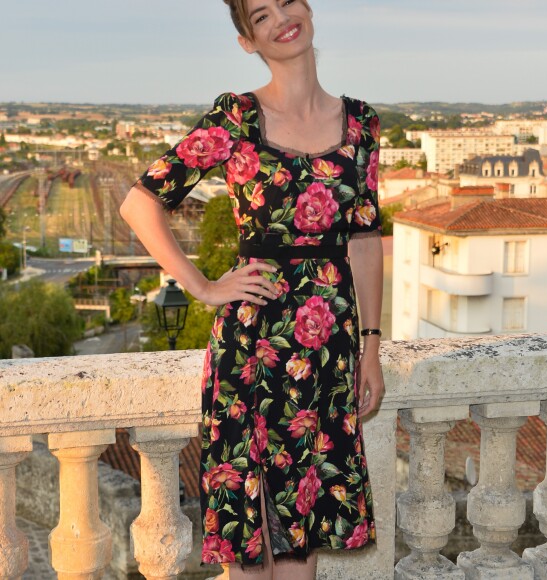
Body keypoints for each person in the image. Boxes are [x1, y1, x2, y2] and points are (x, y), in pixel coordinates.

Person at [120, 1, 385, 578]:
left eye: (288, 1)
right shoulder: (235, 117)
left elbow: (364, 239)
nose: (281, 18)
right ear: (248, 41)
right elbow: (140, 203)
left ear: (308, 10)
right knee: (250, 528)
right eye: (260, 15)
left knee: (302, 534)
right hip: (253, 343)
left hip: (328, 349)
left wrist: (371, 346)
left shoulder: (360, 123)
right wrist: (204, 286)